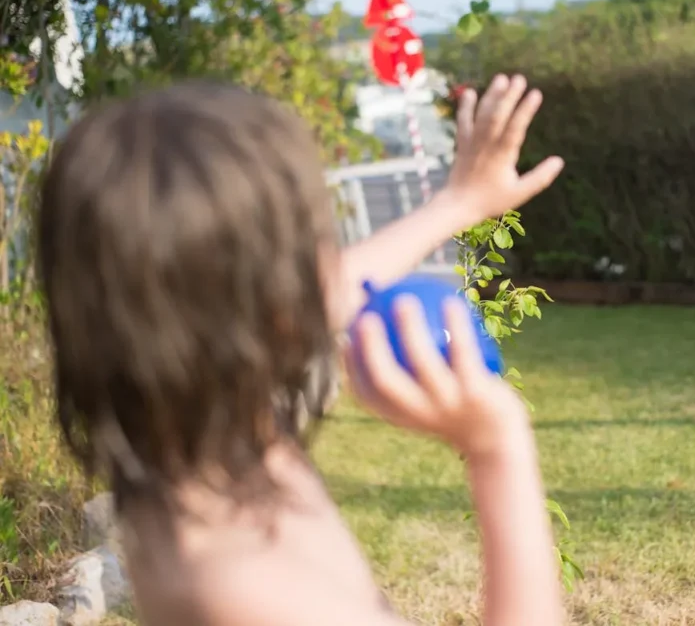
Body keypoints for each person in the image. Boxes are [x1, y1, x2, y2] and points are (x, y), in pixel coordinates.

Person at [37, 74, 565, 626]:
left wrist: (460, 203)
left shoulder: (177, 444)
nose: (329, 272)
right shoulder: (252, 592)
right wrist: (497, 448)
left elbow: (329, 288)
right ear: (272, 312)